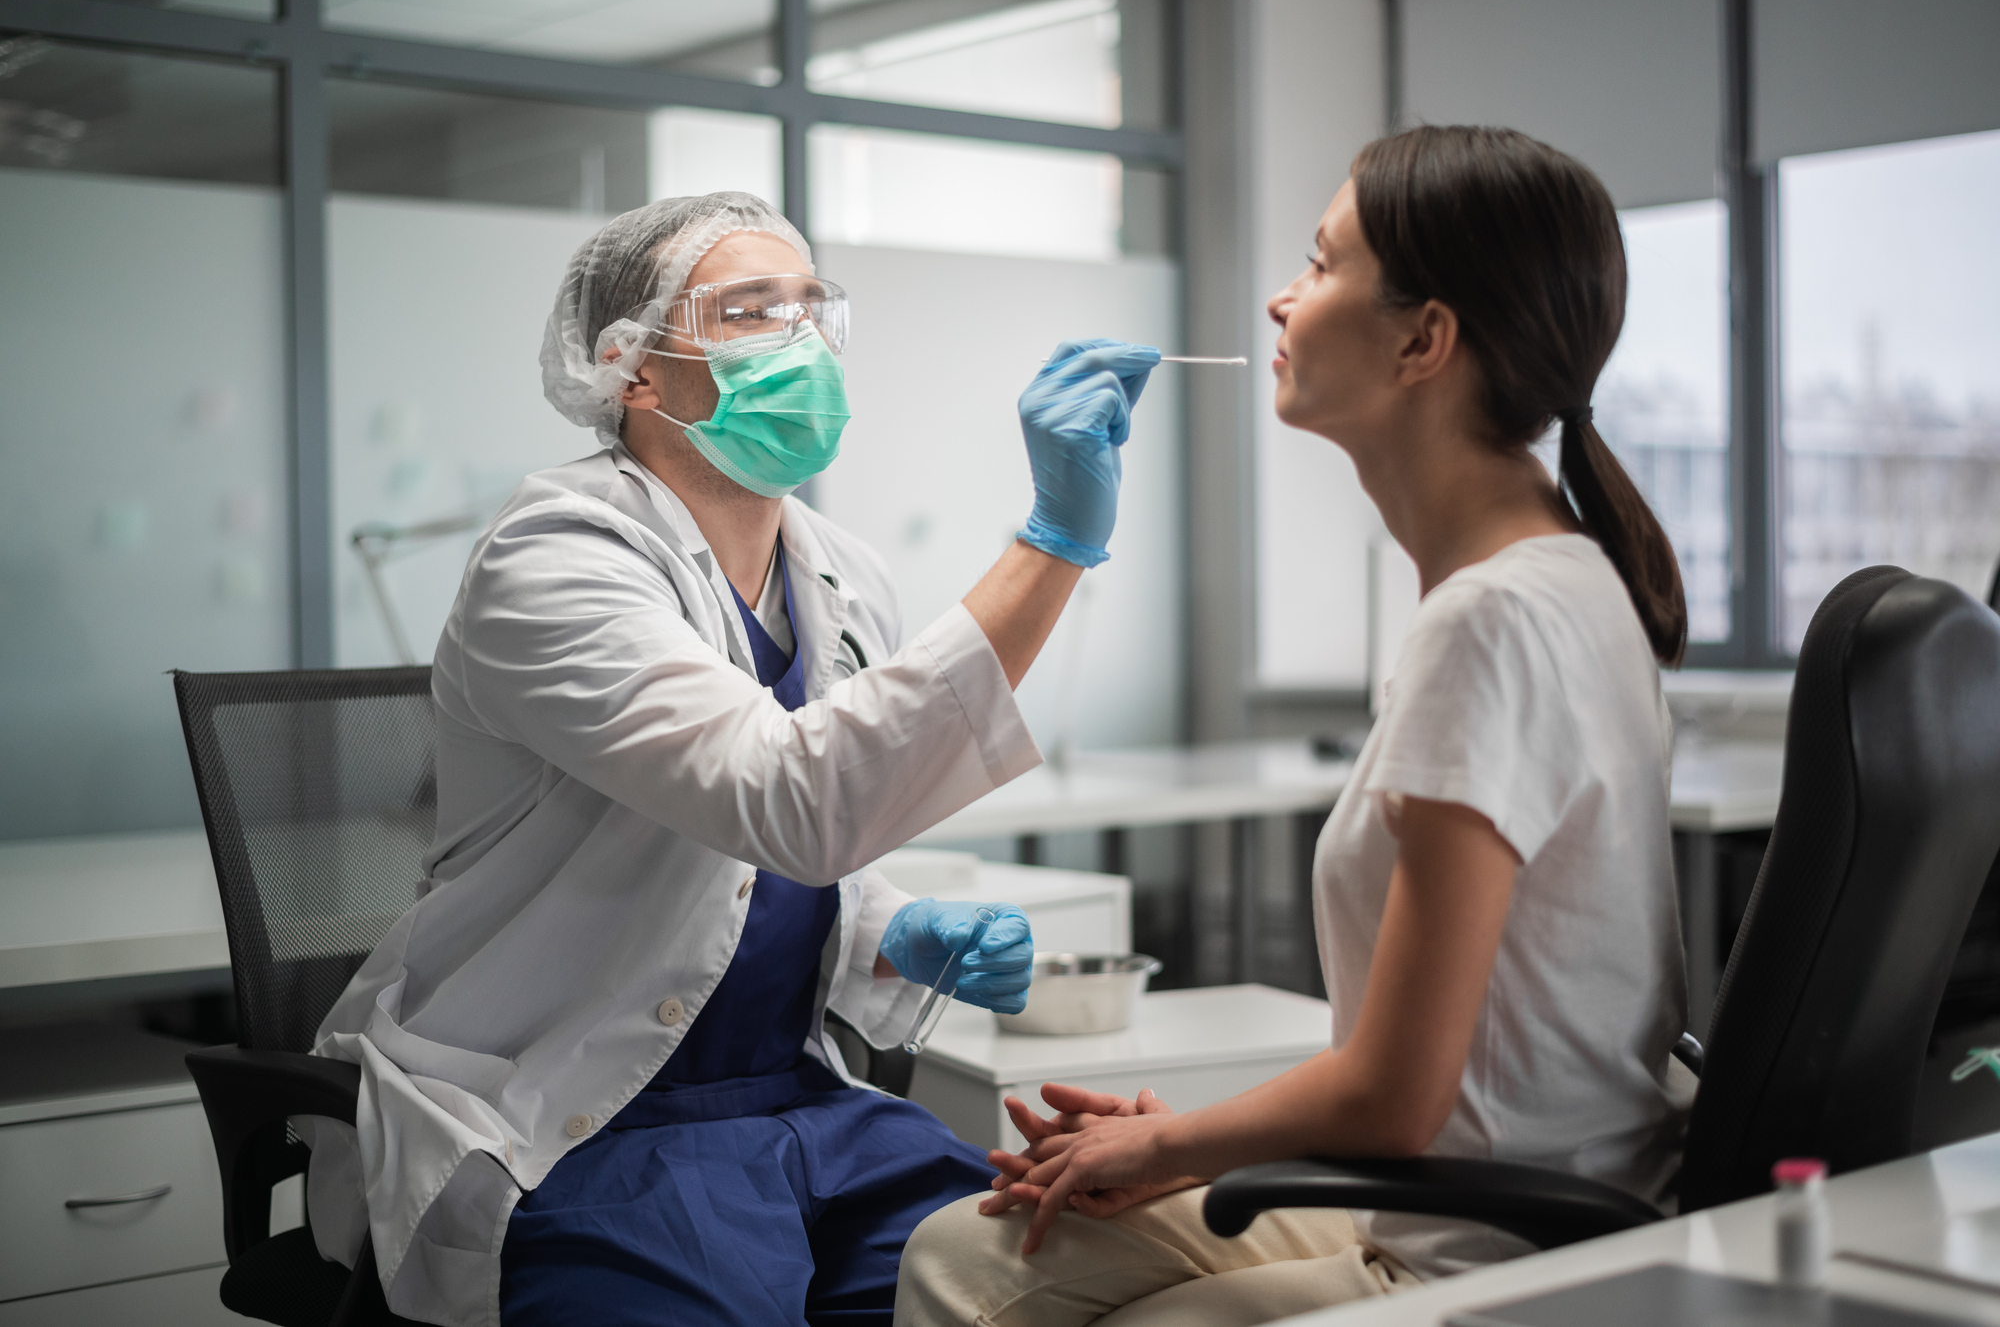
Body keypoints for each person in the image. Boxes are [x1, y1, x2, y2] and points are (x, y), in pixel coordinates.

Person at [293, 192, 1161, 1327]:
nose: (798, 340)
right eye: (751, 314)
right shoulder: (552, 558)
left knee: (1089, 1275)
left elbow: (764, 855)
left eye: (811, 308)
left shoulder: (841, 576)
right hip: (583, 1124)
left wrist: (885, 927)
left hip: (803, 1105)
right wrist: (1049, 545)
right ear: (630, 372)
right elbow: (788, 795)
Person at [894, 125, 1697, 1327]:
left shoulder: (1488, 620)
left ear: (1424, 340)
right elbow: (1442, 1063)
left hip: (1491, 1247)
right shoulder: (1556, 577)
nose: (1280, 297)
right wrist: (1182, 1135)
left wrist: (1171, 1147)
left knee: (1006, 1278)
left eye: (1319, 265)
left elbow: (1395, 1096)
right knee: (968, 1250)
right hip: (1484, 1186)